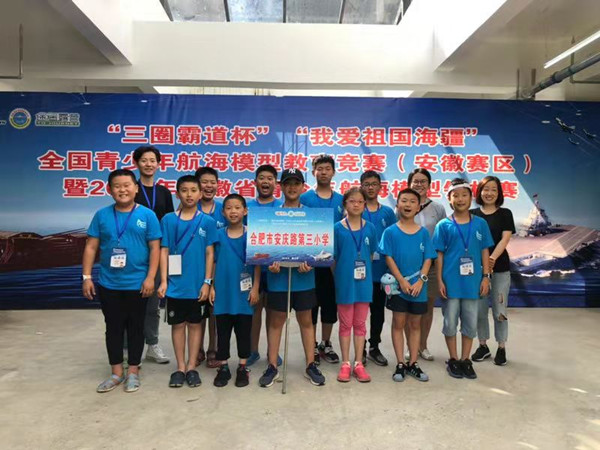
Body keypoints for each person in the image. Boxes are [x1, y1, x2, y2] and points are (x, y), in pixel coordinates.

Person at [82, 169, 161, 393]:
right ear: (109, 189)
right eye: (117, 186)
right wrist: (86, 277)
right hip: (109, 283)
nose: (122, 190)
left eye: (127, 185)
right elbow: (91, 247)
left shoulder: (147, 215)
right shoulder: (101, 215)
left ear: (136, 188)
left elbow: (155, 248)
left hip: (138, 283)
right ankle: (116, 372)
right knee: (113, 328)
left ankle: (133, 371)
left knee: (136, 328)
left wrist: (150, 278)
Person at [259, 169, 326, 387]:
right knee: (276, 321)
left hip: (304, 278)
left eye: (296, 183)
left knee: (306, 321)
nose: (292, 187)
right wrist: (269, 263)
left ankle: (310, 364)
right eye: (288, 183)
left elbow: (320, 248)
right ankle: (272, 365)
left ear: (302, 187)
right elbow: (262, 247)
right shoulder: (271, 215)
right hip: (278, 278)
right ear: (281, 186)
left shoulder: (312, 216)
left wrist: (312, 263)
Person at [157, 175, 216, 388]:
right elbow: (164, 251)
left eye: (193, 190)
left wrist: (207, 282)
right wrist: (163, 281)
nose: (189, 195)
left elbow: (210, 254)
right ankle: (180, 367)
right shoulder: (168, 220)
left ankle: (192, 366)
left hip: (197, 286)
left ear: (200, 194)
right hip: (175, 286)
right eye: (184, 190)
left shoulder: (207, 222)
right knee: (178, 325)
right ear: (177, 194)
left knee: (196, 325)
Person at [432, 178, 494, 380]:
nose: (460, 199)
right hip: (451, 283)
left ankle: (466, 359)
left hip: (472, 284)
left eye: (464, 195)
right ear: (449, 199)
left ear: (470, 197)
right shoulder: (443, 225)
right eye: (456, 195)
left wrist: (486, 277)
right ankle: (453, 359)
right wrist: (440, 280)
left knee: (470, 323)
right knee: (450, 323)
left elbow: (484, 251)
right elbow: (439, 254)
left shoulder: (480, 224)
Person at [379, 188, 437, 383]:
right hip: (398, 288)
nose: (408, 204)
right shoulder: (390, 232)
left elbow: (428, 258)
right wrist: (402, 281)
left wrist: (421, 280)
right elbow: (388, 257)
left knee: (415, 324)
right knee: (398, 323)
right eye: (404, 200)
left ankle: (413, 363)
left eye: (412, 201)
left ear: (418, 207)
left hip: (419, 288)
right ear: (397, 205)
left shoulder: (423, 233)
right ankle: (400, 363)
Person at [211, 194, 261, 387]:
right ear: (223, 212)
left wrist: (255, 288)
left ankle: (242, 367)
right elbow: (213, 262)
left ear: (245, 211)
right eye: (229, 208)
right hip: (223, 292)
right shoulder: (218, 235)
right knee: (222, 331)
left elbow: (257, 264)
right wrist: (211, 285)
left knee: (243, 331)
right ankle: (223, 366)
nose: (233, 211)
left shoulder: (252, 234)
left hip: (244, 294)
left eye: (237, 207)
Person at [300, 154, 343, 365]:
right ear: (313, 172)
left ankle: (326, 343)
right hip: (310, 261)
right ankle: (313, 344)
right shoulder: (305, 198)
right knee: (311, 304)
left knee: (330, 304)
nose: (323, 172)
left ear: (333, 172)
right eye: (320, 169)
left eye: (327, 168)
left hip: (333, 263)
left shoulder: (341, 200)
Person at [133, 145, 174, 365]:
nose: (148, 164)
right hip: (134, 254)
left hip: (157, 254)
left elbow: (169, 223)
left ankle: (152, 345)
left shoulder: (164, 192)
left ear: (158, 164)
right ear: (136, 163)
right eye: (144, 160)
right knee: (130, 304)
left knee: (152, 304)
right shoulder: (131, 188)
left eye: (152, 160)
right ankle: (129, 347)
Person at [333, 188, 377, 383]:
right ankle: (345, 363)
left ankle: (358, 363)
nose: (356, 204)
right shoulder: (337, 228)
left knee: (360, 324)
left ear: (365, 205)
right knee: (345, 324)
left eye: (360, 201)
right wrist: (341, 276)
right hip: (344, 284)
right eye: (352, 201)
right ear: (345, 204)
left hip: (364, 284)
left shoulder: (371, 228)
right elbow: (333, 259)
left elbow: (371, 254)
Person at [470, 176, 515, 366]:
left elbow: (505, 239)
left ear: (499, 193)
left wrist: (491, 260)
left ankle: (501, 347)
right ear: (479, 192)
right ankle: (483, 345)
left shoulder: (505, 213)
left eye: (493, 189)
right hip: (477, 271)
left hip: (500, 268)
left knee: (499, 310)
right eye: (485, 189)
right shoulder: (472, 214)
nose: (489, 193)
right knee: (480, 310)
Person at [405, 168, 446, 362]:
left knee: (428, 307)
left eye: (423, 181)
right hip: (409, 265)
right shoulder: (403, 207)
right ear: (409, 184)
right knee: (409, 307)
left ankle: (423, 346)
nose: (419, 184)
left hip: (432, 265)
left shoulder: (438, 208)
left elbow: (443, 236)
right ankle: (409, 346)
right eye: (416, 181)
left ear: (429, 185)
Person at [246, 164, 282, 367]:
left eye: (270, 178)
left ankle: (272, 351)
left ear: (275, 183)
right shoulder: (247, 207)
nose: (265, 181)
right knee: (255, 310)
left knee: (274, 311)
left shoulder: (282, 208)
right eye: (262, 178)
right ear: (255, 182)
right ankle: (253, 351)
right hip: (253, 267)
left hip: (276, 268)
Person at [360, 170, 397, 366]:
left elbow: (393, 239)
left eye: (374, 184)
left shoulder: (388, 213)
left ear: (380, 187)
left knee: (378, 313)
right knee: (359, 314)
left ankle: (374, 346)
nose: (370, 187)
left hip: (381, 273)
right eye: (367, 184)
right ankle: (360, 348)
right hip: (360, 272)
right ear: (361, 186)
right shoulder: (355, 209)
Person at [194, 166, 224, 369]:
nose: (209, 186)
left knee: (215, 311)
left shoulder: (224, 208)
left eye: (212, 182)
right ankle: (197, 348)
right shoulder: (189, 208)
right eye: (204, 182)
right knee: (198, 309)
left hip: (220, 267)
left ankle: (213, 347)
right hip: (196, 268)